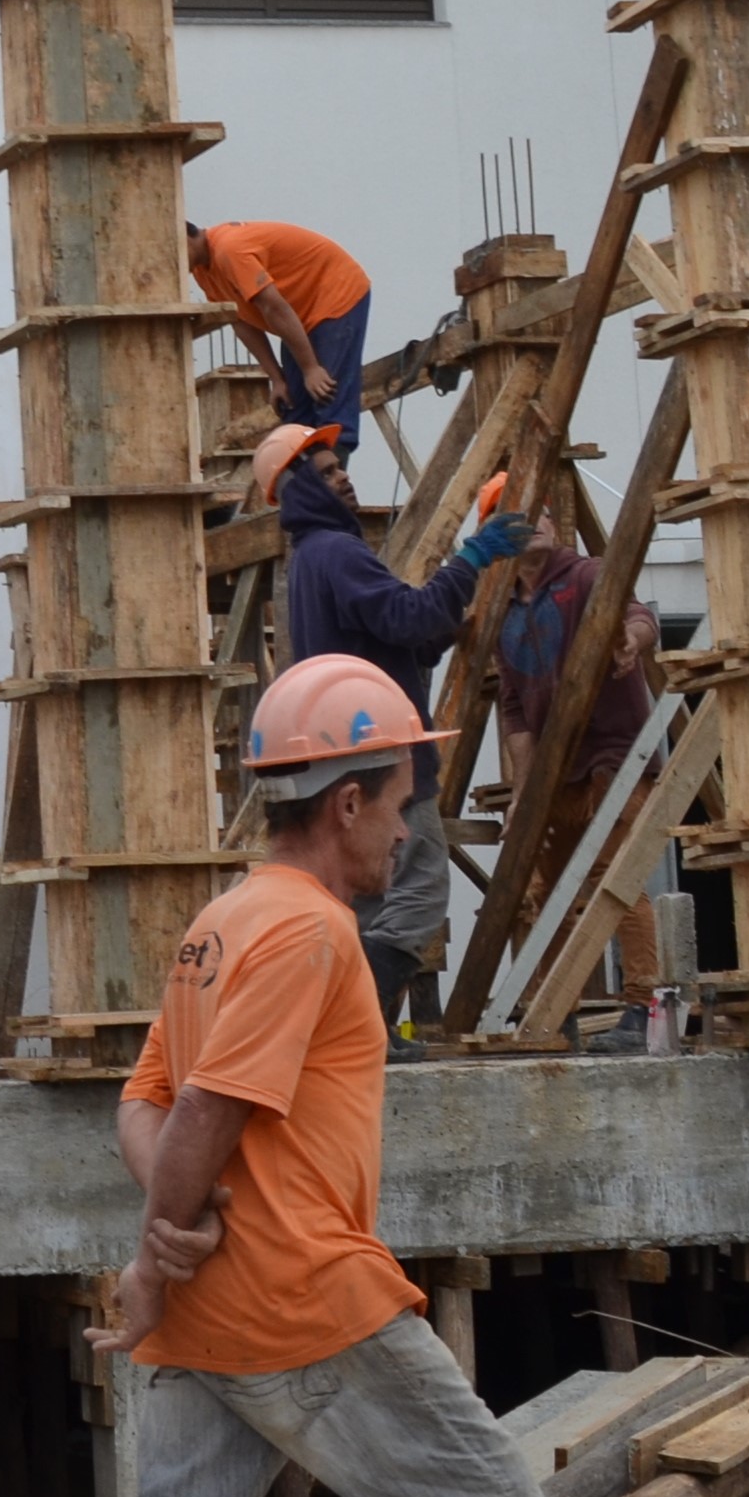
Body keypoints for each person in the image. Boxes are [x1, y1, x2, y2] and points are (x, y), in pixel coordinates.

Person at [83, 655, 733, 1497]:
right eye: (394, 805)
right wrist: (161, 1250)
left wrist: (168, 1241)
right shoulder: (308, 929)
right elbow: (207, 1106)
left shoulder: (218, 925)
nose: (399, 830)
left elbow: (143, 1100)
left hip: (218, 1317)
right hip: (300, 1292)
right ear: (343, 802)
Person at [258, 422, 528, 1046]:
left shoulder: (312, 560)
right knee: (422, 891)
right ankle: (359, 1023)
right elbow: (408, 616)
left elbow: (389, 632)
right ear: (301, 491)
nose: (343, 477)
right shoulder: (337, 551)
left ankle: (355, 1028)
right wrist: (471, 559)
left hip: (352, 751)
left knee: (370, 902)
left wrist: (439, 630)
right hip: (381, 754)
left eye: (339, 467)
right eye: (326, 473)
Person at [488, 520, 649, 818]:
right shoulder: (502, 614)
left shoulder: (587, 574)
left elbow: (639, 614)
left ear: (554, 528)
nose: (531, 521)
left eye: (540, 513)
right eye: (514, 516)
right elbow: (515, 711)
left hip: (616, 762)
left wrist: (630, 638)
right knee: (560, 866)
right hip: (555, 778)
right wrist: (521, 793)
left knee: (608, 866)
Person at [191, 219, 373, 426]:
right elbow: (241, 321)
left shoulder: (230, 250)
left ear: (186, 239)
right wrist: (277, 379)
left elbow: (273, 307)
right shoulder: (202, 271)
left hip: (335, 294)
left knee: (327, 394)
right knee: (294, 405)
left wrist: (310, 368)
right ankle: (303, 454)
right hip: (297, 317)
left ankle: (333, 450)